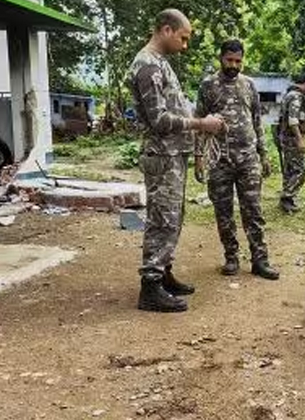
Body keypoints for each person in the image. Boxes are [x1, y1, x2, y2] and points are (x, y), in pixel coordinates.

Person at [128, 9, 225, 312]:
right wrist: (201, 125)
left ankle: (164, 272)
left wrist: (201, 127)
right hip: (161, 154)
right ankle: (151, 287)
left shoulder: (161, 65)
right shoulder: (147, 67)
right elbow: (158, 120)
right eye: (183, 38)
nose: (185, 45)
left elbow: (178, 109)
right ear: (166, 30)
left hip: (173, 154)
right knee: (162, 219)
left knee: (173, 218)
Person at [195, 39, 280, 280]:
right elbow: (199, 123)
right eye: (229, 60)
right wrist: (199, 156)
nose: (234, 65)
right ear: (221, 58)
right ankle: (231, 257)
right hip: (219, 159)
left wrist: (264, 154)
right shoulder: (208, 85)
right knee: (223, 210)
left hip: (248, 159)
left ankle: (260, 260)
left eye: (238, 61)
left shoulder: (249, 85)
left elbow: (257, 121)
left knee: (253, 210)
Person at [277, 73, 305, 213]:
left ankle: (287, 199)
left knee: (289, 169)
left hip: (285, 136)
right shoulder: (296, 96)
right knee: (300, 169)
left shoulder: (289, 94)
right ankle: (287, 197)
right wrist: (300, 139)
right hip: (291, 137)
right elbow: (293, 120)